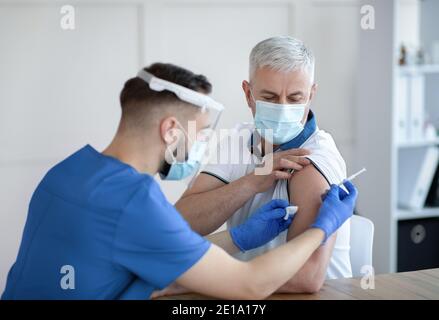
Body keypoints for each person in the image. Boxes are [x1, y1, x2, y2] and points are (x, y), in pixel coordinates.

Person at [2, 62, 357, 300]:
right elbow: (250, 285)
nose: (202, 145)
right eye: (200, 133)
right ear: (171, 130)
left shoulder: (68, 171)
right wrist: (321, 229)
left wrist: (237, 238)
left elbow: (158, 264)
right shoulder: (133, 203)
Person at [176, 36, 352, 294]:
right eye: (270, 97)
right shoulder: (238, 140)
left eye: (295, 98)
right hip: (243, 292)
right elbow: (180, 223)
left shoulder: (314, 160)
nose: (282, 109)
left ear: (311, 94)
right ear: (248, 94)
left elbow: (305, 278)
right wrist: (251, 183)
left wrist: (186, 278)